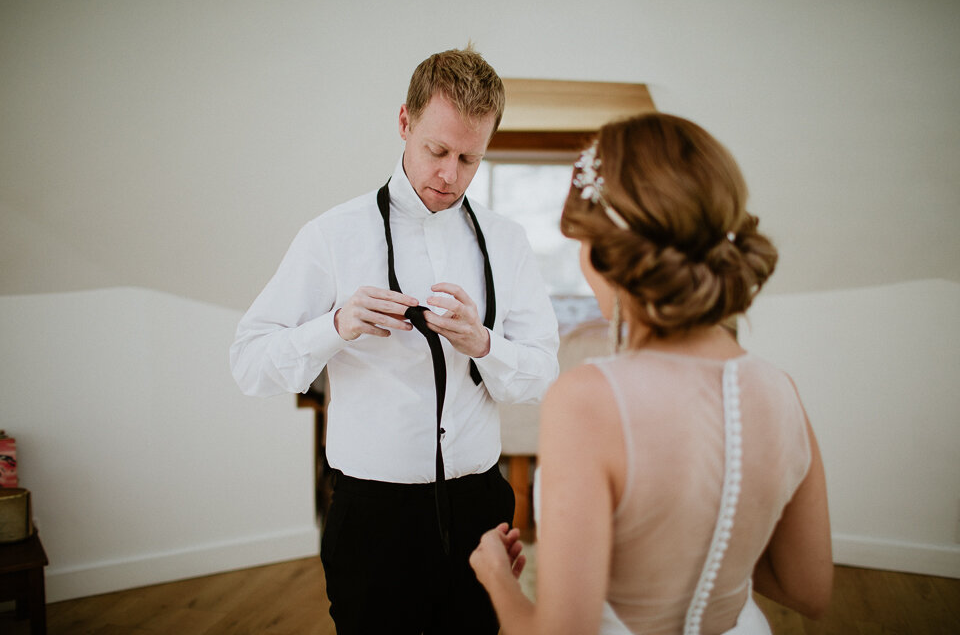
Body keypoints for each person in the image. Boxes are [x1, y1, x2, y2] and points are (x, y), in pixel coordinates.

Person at [230, 46, 559, 634]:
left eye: (469, 158)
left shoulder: (507, 242)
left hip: (480, 509)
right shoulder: (331, 235)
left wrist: (483, 343)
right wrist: (336, 326)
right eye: (437, 150)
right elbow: (249, 363)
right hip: (372, 513)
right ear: (405, 122)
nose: (449, 175)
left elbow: (542, 374)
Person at [469, 113, 833, 635]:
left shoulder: (586, 401)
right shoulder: (781, 392)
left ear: (603, 253)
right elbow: (809, 589)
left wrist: (495, 574)